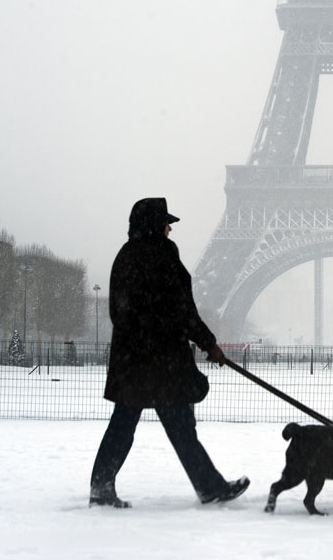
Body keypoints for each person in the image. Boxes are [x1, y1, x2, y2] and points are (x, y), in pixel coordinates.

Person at [89, 197, 249, 508]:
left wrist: (141, 337)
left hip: (133, 361)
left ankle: (101, 485)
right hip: (162, 361)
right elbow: (182, 311)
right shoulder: (162, 255)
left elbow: (119, 313)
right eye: (166, 224)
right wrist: (208, 343)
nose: (169, 230)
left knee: (124, 424)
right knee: (180, 428)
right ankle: (209, 486)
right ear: (154, 225)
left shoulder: (125, 256)